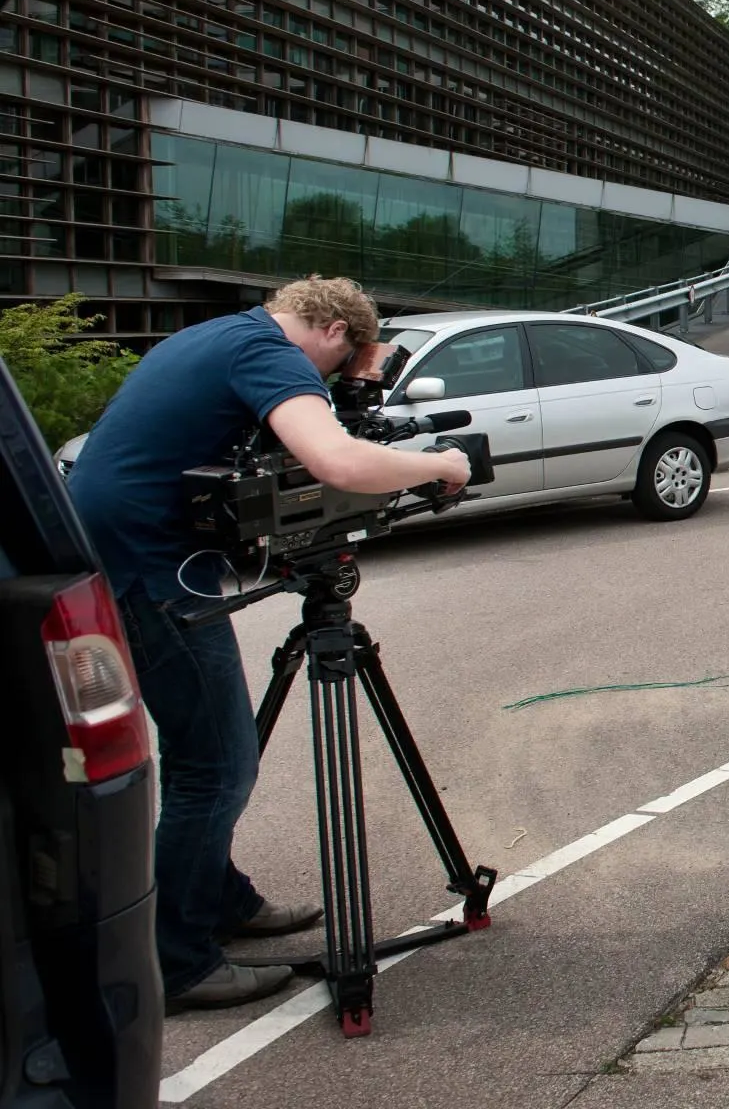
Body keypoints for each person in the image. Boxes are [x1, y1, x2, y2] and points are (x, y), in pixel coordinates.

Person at [65, 277, 470, 1013]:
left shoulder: (214, 335)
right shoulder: (271, 353)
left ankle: (220, 902)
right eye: (336, 373)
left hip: (120, 556)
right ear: (335, 334)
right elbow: (339, 463)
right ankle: (176, 962)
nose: (328, 383)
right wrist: (441, 465)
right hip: (148, 569)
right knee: (215, 768)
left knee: (206, 758)